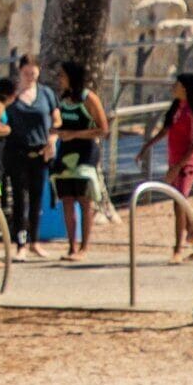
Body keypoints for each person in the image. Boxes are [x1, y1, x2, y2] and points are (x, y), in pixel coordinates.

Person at [0, 56, 59, 257]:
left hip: (40, 152)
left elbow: (56, 118)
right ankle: (20, 244)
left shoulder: (46, 93)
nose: (30, 77)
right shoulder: (12, 95)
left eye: (34, 74)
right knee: (19, 198)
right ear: (20, 72)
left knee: (36, 198)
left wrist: (52, 138)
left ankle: (34, 241)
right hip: (16, 152)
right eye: (26, 73)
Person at [52, 61, 112, 259]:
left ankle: (85, 247)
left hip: (85, 152)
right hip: (65, 152)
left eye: (62, 75)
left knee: (85, 200)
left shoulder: (89, 98)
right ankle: (72, 246)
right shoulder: (63, 99)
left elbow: (103, 129)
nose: (59, 79)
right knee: (67, 199)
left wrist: (75, 134)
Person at [161, 72, 193, 244]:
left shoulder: (192, 110)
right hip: (174, 159)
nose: (173, 87)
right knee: (181, 203)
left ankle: (178, 248)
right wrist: (146, 147)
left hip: (187, 162)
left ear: (185, 88)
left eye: (177, 85)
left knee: (179, 203)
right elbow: (167, 130)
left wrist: (178, 166)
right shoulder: (177, 107)